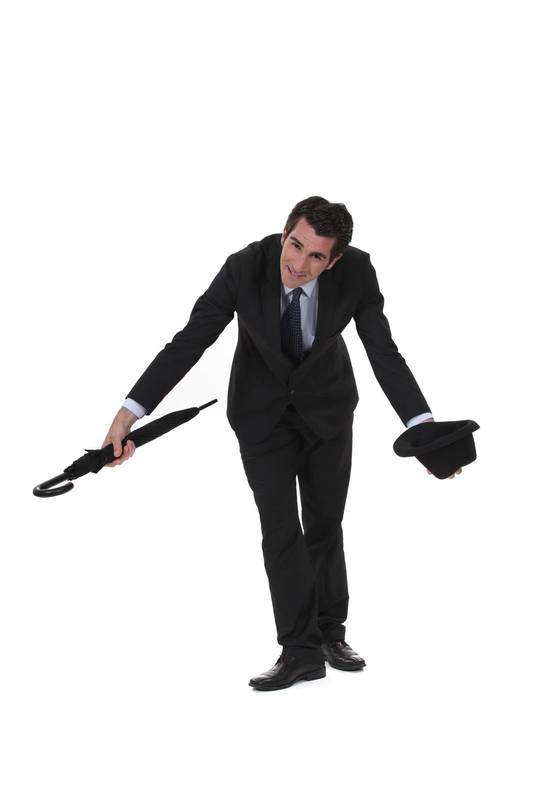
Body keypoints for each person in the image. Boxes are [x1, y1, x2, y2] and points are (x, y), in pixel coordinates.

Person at [101, 196, 461, 691]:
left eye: (316, 256)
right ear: (284, 233)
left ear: (334, 260)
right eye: (294, 245)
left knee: (325, 523)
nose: (298, 264)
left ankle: (330, 633)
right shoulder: (244, 268)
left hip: (327, 411)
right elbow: (190, 341)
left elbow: (384, 352)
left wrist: (425, 432)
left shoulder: (357, 272)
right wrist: (129, 414)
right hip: (261, 416)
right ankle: (299, 651)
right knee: (280, 530)